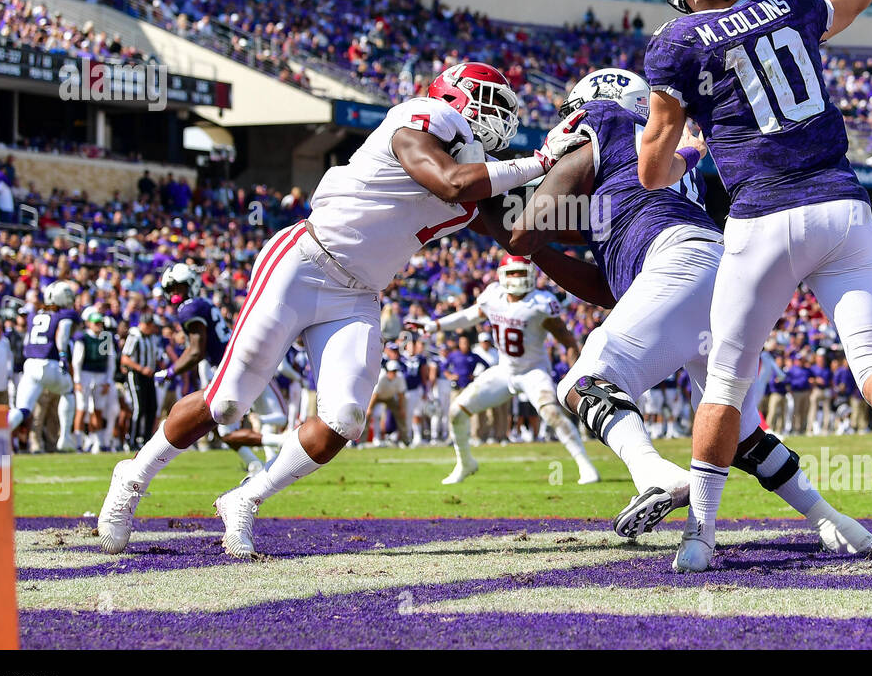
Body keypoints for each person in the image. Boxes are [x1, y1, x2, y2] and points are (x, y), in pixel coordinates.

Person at [97, 61, 571, 557]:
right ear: (456, 96)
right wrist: (539, 161)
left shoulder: (482, 172)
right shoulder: (421, 118)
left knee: (343, 418)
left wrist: (590, 201)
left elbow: (519, 237)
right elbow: (450, 182)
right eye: (490, 99)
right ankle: (131, 478)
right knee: (226, 402)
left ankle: (245, 498)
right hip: (303, 263)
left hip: (358, 295)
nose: (499, 114)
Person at [637, 0, 872, 570]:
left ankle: (701, 537)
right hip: (843, 206)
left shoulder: (677, 41)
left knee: (727, 384)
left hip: (763, 216)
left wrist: (694, 155)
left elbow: (652, 168)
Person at [506, 69, 872, 552]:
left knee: (584, 381)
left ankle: (655, 473)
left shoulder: (602, 120)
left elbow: (526, 230)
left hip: (679, 259)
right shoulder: (643, 167)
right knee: (738, 431)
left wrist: (505, 222)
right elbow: (609, 286)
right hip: (722, 268)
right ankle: (833, 521)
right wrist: (536, 249)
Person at [412, 254, 600, 485]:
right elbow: (469, 316)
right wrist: (435, 325)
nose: (518, 277)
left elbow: (568, 340)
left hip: (534, 371)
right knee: (456, 411)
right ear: (502, 276)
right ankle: (465, 463)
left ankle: (586, 466)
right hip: (505, 370)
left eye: (522, 272)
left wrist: (576, 375)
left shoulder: (540, 302)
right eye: (513, 272)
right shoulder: (494, 296)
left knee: (551, 413)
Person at [156, 262, 287, 470]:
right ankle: (254, 464)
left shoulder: (189, 309)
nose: (174, 293)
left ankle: (284, 444)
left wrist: (169, 371)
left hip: (227, 368)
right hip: (235, 362)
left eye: (178, 288)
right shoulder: (203, 303)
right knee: (225, 428)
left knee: (226, 430)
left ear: (189, 285)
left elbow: (196, 351)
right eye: (171, 289)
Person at [7, 281, 78, 441]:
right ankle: (65, 437)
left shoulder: (34, 314)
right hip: (50, 363)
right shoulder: (65, 316)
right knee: (68, 391)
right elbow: (62, 336)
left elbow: (27, 341)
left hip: (31, 364)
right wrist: (63, 355)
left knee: (22, 409)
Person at [70, 310, 117, 453]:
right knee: (81, 408)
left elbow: (111, 361)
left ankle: (96, 440)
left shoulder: (106, 338)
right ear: (89, 323)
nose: (98, 325)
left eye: (100, 323)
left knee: (98, 409)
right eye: (95, 323)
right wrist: (77, 380)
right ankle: (78, 442)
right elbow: (77, 361)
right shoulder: (83, 338)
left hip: (101, 375)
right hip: (85, 374)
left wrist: (108, 380)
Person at [121, 314, 164, 449]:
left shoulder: (152, 338)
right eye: (150, 326)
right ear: (144, 324)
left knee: (152, 408)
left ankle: (146, 440)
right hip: (136, 375)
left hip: (149, 376)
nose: (152, 329)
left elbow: (156, 357)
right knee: (139, 408)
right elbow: (125, 359)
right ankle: (131, 440)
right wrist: (141, 368)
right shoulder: (135, 336)